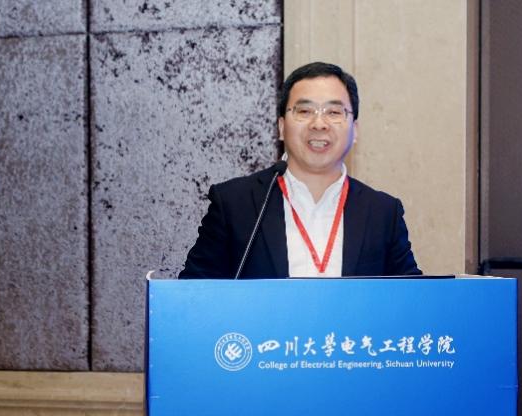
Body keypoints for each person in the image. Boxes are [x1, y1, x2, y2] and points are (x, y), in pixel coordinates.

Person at [178, 62, 421, 279]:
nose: (319, 124)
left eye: (334, 112)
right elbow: (194, 294)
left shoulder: (382, 213)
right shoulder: (235, 204)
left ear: (354, 130)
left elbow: (413, 299)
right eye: (305, 111)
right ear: (281, 127)